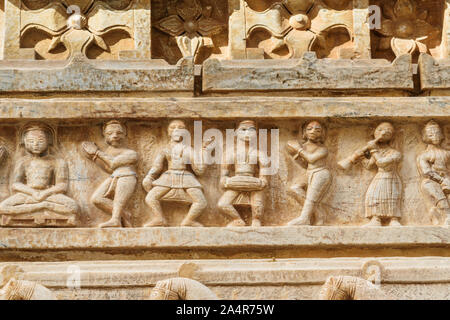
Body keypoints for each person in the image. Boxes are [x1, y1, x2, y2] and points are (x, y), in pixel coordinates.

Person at [0, 122, 78, 225]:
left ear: (49, 141)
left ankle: (41, 206)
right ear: (24, 142)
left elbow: (62, 185)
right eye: (31, 141)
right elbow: (15, 184)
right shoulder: (22, 161)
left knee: (73, 206)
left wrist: (45, 193)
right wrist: (33, 193)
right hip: (27, 194)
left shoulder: (58, 162)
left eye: (40, 141)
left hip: (48, 195)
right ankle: (42, 206)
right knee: (3, 207)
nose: (35, 144)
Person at [142, 120, 211, 227]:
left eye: (180, 128)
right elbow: (157, 166)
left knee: (201, 201)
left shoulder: (189, 150)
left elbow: (199, 170)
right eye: (173, 128)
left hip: (186, 178)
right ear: (168, 132)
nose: (177, 130)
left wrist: (205, 150)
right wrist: (149, 176)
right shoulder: (165, 149)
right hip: (168, 177)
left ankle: (188, 220)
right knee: (150, 198)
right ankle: (159, 219)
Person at [82, 120, 138, 228]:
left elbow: (113, 163)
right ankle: (125, 215)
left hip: (127, 177)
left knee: (118, 200)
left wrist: (97, 152)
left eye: (119, 133)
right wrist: (93, 157)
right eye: (110, 133)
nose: (115, 136)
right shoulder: (108, 152)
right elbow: (109, 169)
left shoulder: (131, 153)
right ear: (104, 134)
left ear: (125, 133)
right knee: (97, 199)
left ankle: (115, 219)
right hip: (114, 177)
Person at [218, 120, 269, 227]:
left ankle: (256, 219)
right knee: (222, 204)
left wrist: (261, 181)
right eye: (243, 130)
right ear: (236, 133)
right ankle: (237, 219)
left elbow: (264, 177)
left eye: (251, 130)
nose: (247, 133)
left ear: (256, 134)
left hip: (253, 182)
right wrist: (226, 181)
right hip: (237, 180)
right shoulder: (230, 152)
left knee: (257, 203)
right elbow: (223, 175)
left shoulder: (260, 153)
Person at [353, 122, 402, 227]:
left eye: (388, 132)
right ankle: (376, 219)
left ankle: (394, 219)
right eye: (380, 130)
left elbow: (381, 163)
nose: (383, 133)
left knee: (391, 196)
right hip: (379, 177)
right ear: (374, 132)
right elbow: (369, 166)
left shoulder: (395, 153)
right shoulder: (376, 151)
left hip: (390, 177)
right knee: (373, 195)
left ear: (391, 137)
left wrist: (373, 149)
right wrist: (360, 157)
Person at [286, 121, 331, 226]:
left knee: (311, 196)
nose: (313, 131)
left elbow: (311, 159)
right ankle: (319, 214)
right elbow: (305, 164)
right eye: (309, 129)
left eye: (317, 130)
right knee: (294, 188)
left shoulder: (323, 149)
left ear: (322, 134)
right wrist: (293, 153)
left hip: (321, 173)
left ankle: (304, 218)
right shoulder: (304, 147)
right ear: (304, 132)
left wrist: (298, 149)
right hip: (309, 172)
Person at [417, 120, 450, 226]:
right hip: (431, 181)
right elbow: (426, 172)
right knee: (438, 195)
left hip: (447, 179)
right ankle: (447, 216)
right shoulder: (425, 155)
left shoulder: (447, 153)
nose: (435, 136)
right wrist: (442, 180)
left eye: (437, 133)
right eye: (431, 134)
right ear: (425, 137)